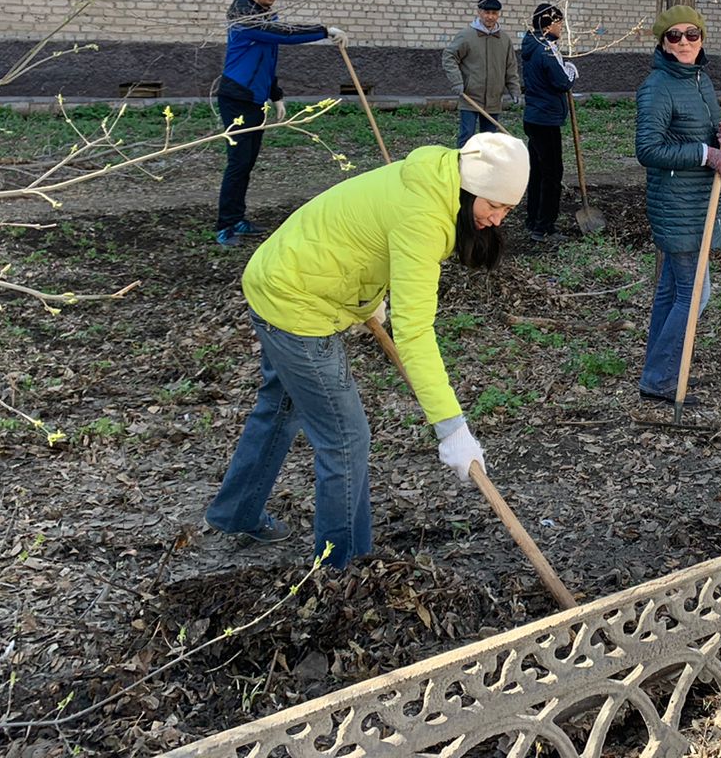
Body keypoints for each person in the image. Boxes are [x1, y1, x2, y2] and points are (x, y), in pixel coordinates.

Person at [203, 133, 530, 569]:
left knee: (281, 408)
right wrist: (451, 427)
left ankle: (234, 514)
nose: (498, 218)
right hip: (297, 302)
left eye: (508, 209)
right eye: (494, 205)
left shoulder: (434, 179)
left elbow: (364, 230)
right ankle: (345, 566)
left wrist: (366, 291)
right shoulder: (426, 217)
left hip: (285, 275)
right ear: (471, 186)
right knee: (345, 438)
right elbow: (415, 333)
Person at [634, 6, 721, 405]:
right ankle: (662, 380)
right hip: (678, 205)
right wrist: (704, 154)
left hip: (697, 201)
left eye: (691, 35)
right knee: (696, 293)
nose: (683, 43)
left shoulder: (701, 80)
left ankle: (656, 376)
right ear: (662, 42)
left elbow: (710, 136)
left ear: (702, 38)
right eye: (673, 36)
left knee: (672, 291)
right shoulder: (657, 86)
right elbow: (648, 149)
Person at [215, 0, 342, 248]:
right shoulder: (244, 16)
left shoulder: (266, 16)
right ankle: (225, 225)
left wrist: (275, 95)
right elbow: (283, 35)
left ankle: (238, 219)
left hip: (256, 98)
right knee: (238, 163)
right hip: (237, 97)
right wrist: (323, 31)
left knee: (247, 162)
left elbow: (268, 59)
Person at [521, 2, 579, 241]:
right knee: (552, 174)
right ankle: (544, 228)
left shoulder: (531, 44)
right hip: (546, 121)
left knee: (537, 172)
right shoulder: (546, 48)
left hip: (534, 117)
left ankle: (533, 218)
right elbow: (562, 81)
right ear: (548, 25)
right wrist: (571, 70)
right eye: (559, 23)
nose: (562, 28)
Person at [443, 0, 521, 146]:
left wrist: (515, 89)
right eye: (487, 12)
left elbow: (510, 67)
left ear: (499, 15)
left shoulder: (504, 39)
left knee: (490, 140)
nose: (490, 17)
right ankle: (461, 167)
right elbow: (449, 56)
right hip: (470, 97)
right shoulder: (467, 36)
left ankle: (485, 168)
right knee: (467, 138)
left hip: (493, 98)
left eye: (494, 13)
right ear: (479, 12)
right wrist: (457, 81)